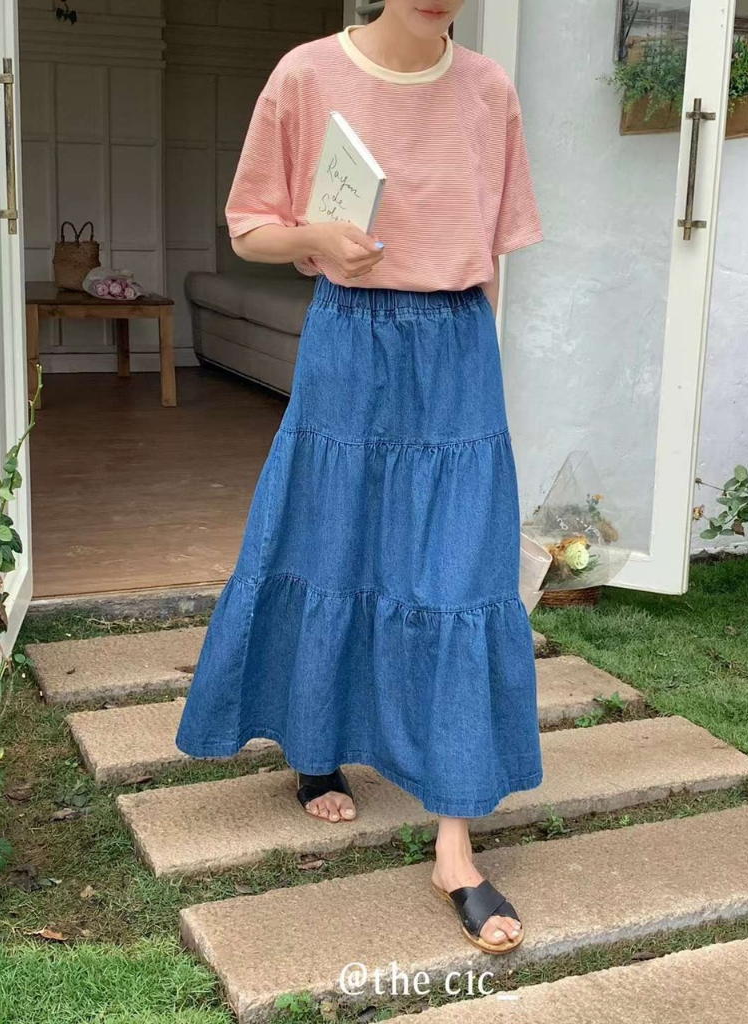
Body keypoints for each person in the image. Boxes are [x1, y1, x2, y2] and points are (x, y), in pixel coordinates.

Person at [176, 0, 545, 954]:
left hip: (456, 351)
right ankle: (316, 746)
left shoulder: (489, 91)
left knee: (460, 577)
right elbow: (249, 227)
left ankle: (454, 847)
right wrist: (317, 237)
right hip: (349, 340)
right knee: (329, 545)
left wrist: (479, 381)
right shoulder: (307, 74)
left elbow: (490, 256)